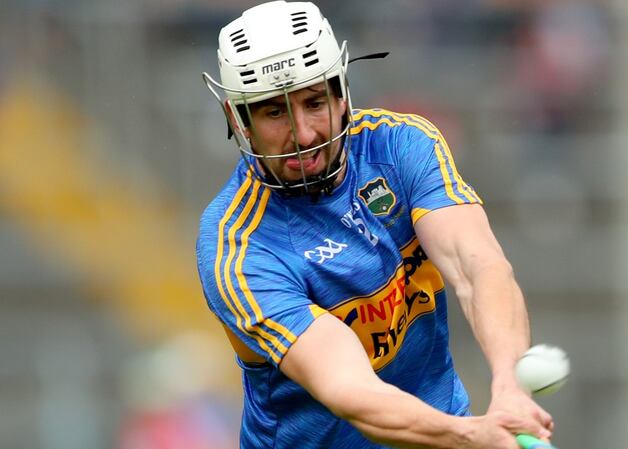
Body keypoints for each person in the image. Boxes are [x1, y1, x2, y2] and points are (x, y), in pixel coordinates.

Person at [195, 2, 554, 448]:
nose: (304, 133)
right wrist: (471, 435)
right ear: (239, 121)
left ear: (342, 93)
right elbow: (351, 392)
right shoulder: (239, 246)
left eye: (313, 103)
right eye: (274, 113)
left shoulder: (401, 145)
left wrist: (509, 389)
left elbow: (478, 267)